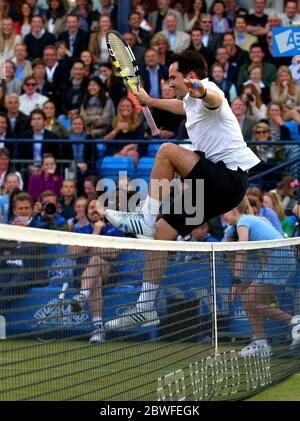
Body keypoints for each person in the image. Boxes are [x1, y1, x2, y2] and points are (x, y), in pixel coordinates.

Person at [104, 50, 260, 329]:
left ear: (189, 77)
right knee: (163, 233)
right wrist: (151, 101)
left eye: (172, 77)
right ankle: (145, 307)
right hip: (215, 188)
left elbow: (211, 99)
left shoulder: (209, 90)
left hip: (229, 178)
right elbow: (181, 106)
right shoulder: (189, 103)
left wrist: (199, 89)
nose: (168, 81)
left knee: (166, 151)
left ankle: (145, 217)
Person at [223, 196, 300, 357]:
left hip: (280, 259)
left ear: (234, 211)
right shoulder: (241, 224)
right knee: (251, 300)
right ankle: (260, 343)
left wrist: (236, 282)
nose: (223, 216)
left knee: (249, 299)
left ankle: (294, 322)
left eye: (225, 212)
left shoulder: (243, 222)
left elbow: (242, 252)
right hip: (277, 260)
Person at [69, 197, 124, 343]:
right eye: (90, 208)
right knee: (95, 279)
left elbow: (113, 253)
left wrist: (89, 246)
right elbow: (73, 253)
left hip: (110, 274)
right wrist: (96, 232)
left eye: (97, 207)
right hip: (81, 276)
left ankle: (82, 297)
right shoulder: (80, 229)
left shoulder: (115, 228)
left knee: (95, 259)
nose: (93, 210)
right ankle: (98, 329)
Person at [103, 97, 146, 166]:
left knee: (131, 154)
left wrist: (125, 149)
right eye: (123, 106)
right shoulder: (114, 121)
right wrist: (117, 129)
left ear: (132, 109)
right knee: (118, 157)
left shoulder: (138, 123)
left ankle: (128, 176)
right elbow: (105, 140)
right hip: (115, 149)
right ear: (119, 108)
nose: (125, 108)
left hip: (132, 148)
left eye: (128, 106)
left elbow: (139, 141)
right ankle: (120, 176)